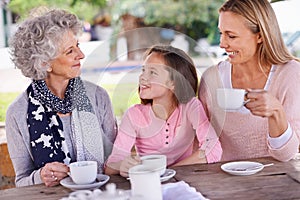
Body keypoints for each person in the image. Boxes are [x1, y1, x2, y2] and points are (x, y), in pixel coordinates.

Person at [6, 7, 117, 187]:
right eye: (69, 51)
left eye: (78, 46)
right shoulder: (17, 113)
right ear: (44, 63)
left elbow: (114, 160)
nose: (81, 55)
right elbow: (22, 180)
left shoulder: (98, 97)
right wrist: (40, 176)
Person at [199, 0, 300, 162]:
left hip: (278, 180)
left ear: (260, 36)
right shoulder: (211, 78)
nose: (222, 44)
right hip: (220, 180)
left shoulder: (290, 75)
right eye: (221, 33)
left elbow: (286, 155)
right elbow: (202, 143)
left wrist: (276, 113)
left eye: (231, 36)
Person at [105, 44, 222, 177]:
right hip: (149, 182)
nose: (142, 77)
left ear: (173, 83)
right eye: (143, 70)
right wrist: (121, 165)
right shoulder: (134, 115)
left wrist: (168, 171)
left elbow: (213, 149)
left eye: (152, 72)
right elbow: (111, 166)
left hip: (186, 182)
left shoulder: (190, 107)